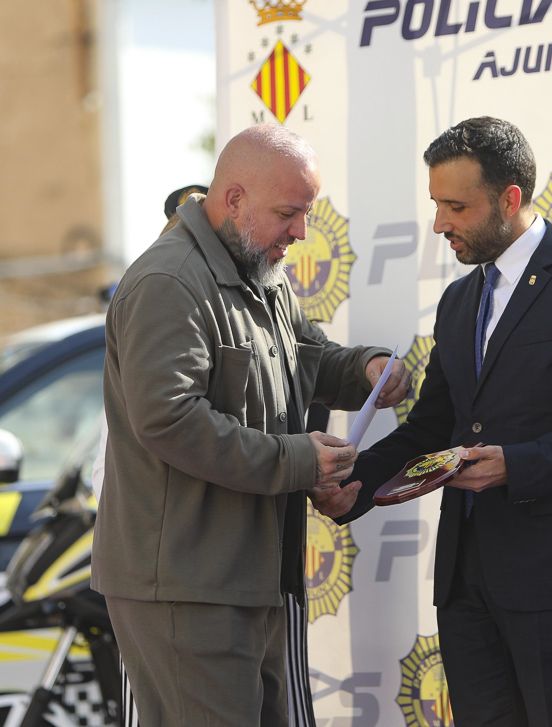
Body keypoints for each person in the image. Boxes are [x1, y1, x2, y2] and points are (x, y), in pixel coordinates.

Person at [316, 116, 552, 726]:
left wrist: (516, 466)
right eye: (436, 205)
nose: (440, 223)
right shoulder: (459, 299)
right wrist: (356, 485)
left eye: (456, 206)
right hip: (467, 579)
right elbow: (432, 428)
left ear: (511, 198)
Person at [91, 125, 409, 727]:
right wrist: (300, 462)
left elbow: (306, 358)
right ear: (234, 199)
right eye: (289, 213)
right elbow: (169, 418)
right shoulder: (170, 282)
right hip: (188, 587)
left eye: (306, 213)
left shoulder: (258, 273)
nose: (301, 232)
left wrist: (363, 369)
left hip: (245, 579)